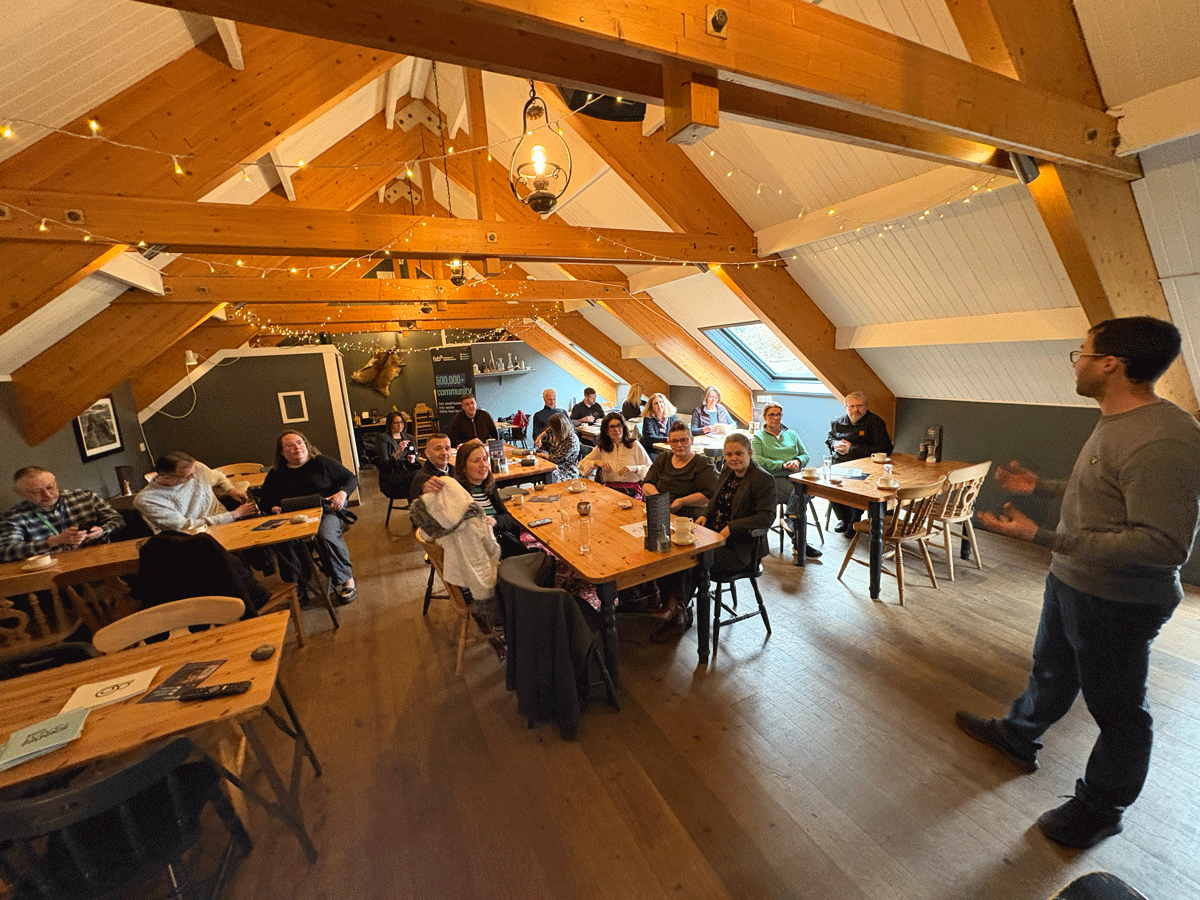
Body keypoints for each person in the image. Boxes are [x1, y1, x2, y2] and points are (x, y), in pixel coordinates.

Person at [955, 317, 1200, 850]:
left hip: (1119, 601)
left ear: (1110, 363)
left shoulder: (1165, 438)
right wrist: (1041, 487)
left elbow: (1162, 546)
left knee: (1118, 711)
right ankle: (1019, 735)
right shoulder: (1118, 420)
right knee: (1052, 668)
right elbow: (1103, 489)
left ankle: (1100, 808)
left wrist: (1045, 536)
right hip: (1073, 582)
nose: (1077, 362)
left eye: (1081, 353)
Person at [259, 430, 359, 603]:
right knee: (285, 543)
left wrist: (342, 494)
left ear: (306, 445)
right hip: (292, 518)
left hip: (326, 513)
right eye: (290, 445)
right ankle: (297, 587)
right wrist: (274, 507)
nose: (297, 447)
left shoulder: (322, 463)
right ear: (282, 452)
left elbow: (350, 478)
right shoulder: (276, 474)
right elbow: (265, 500)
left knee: (326, 535)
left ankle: (345, 579)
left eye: (300, 442)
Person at [641, 422, 720, 642]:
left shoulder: (701, 463)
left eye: (683, 439)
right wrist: (658, 497)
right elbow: (647, 482)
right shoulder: (664, 459)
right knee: (651, 546)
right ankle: (664, 598)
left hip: (691, 518)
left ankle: (676, 605)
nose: (679, 445)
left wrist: (680, 501)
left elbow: (710, 493)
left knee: (678, 552)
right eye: (674, 440)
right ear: (669, 442)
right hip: (664, 513)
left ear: (691, 440)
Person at [421, 439, 527, 559]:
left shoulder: (488, 488)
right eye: (476, 461)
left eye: (485, 459)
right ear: (463, 467)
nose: (483, 465)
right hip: (481, 556)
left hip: (500, 544)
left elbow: (508, 519)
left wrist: (494, 521)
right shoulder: (455, 491)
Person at [0, 466, 125, 562]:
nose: (47, 495)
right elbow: (5, 551)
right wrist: (53, 541)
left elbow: (117, 519)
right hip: (56, 571)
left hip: (99, 559)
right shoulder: (14, 517)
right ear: (19, 492)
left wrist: (102, 530)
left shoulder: (85, 497)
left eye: (50, 487)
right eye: (36, 492)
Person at [751, 403, 821, 560]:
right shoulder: (758, 438)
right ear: (764, 417)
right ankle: (800, 543)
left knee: (806, 490)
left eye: (778, 414)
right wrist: (782, 465)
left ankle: (790, 519)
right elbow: (758, 461)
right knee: (801, 495)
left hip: (794, 476)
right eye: (771, 415)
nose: (775, 418)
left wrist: (797, 461)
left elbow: (805, 454)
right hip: (772, 479)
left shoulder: (792, 434)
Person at [134, 450, 257, 533]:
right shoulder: (147, 499)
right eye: (188, 476)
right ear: (167, 478)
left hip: (226, 523)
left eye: (194, 472)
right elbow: (184, 526)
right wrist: (234, 515)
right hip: (194, 536)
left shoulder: (197, 468)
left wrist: (232, 491)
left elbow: (218, 477)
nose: (194, 477)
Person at [825, 391, 893, 533]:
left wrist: (852, 448)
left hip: (864, 466)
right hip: (840, 464)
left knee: (856, 490)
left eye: (859, 406)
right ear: (845, 407)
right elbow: (830, 437)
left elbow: (885, 448)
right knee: (830, 488)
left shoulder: (875, 422)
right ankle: (844, 519)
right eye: (852, 406)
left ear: (866, 407)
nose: (856, 410)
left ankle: (854, 521)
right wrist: (835, 444)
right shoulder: (837, 422)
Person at [579, 412, 651, 495]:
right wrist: (595, 463)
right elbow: (581, 466)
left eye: (619, 425)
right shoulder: (602, 447)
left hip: (631, 490)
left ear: (623, 427)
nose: (616, 429)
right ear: (606, 430)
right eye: (612, 427)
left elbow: (650, 470)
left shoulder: (634, 445)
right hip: (608, 489)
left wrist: (635, 468)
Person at [375, 411, 421, 500]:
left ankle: (418, 506)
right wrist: (399, 451)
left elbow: (417, 456)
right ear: (390, 424)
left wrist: (413, 460)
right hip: (391, 477)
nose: (399, 425)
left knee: (425, 475)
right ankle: (417, 507)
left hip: (408, 472)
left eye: (401, 423)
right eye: (396, 423)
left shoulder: (409, 438)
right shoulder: (382, 439)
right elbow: (385, 466)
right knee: (419, 477)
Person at [535, 412, 581, 483]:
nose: (553, 432)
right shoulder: (564, 433)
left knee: (547, 473)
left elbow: (556, 459)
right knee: (541, 468)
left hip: (568, 470)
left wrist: (543, 455)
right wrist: (539, 437)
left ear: (559, 429)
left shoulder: (571, 440)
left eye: (554, 430)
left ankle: (550, 492)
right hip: (558, 465)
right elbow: (549, 430)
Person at [410, 433, 453, 500]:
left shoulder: (456, 471)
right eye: (438, 449)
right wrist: (422, 491)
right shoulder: (423, 479)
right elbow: (414, 503)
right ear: (427, 453)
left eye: (447, 448)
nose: (444, 452)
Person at [639, 393, 680, 459]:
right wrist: (666, 439)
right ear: (651, 407)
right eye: (656, 403)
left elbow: (680, 430)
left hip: (669, 448)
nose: (659, 405)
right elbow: (650, 438)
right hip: (652, 450)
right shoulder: (648, 419)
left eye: (661, 402)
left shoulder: (673, 416)